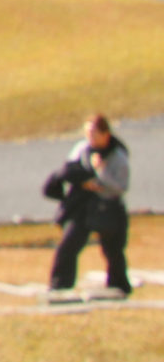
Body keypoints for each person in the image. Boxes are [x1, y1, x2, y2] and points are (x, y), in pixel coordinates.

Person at [49, 114, 133, 299]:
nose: (91, 139)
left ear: (106, 134)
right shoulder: (81, 149)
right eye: (88, 134)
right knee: (68, 246)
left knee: (113, 250)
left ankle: (119, 287)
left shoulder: (118, 156)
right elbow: (68, 170)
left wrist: (100, 174)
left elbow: (121, 186)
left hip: (108, 208)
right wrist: (84, 182)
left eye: (94, 134)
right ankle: (60, 288)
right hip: (84, 207)